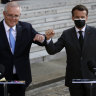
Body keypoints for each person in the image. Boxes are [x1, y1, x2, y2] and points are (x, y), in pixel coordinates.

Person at [45, 5, 96, 96]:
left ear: (87, 18)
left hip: (91, 77)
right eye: (77, 17)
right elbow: (53, 50)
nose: (80, 19)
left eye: (82, 17)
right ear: (72, 17)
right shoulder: (66, 34)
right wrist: (48, 40)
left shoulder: (94, 32)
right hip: (74, 78)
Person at [0, 1, 46, 96]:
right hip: (2, 77)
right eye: (10, 15)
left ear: (20, 15)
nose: (13, 19)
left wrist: (42, 38)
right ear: (4, 14)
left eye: (16, 16)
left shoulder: (27, 27)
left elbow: (40, 40)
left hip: (20, 76)